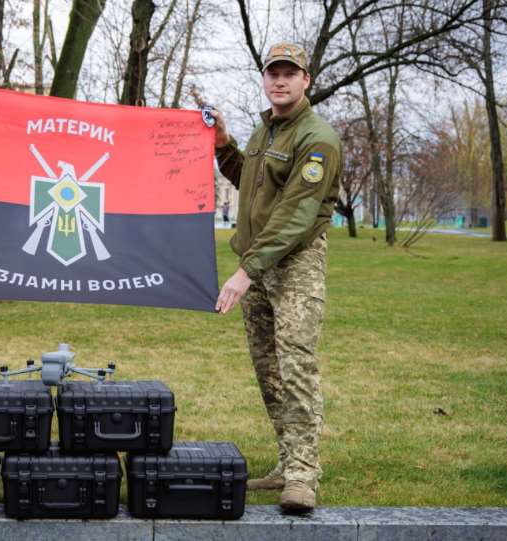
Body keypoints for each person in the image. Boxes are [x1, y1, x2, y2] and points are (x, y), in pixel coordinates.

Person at [207, 42, 342, 513]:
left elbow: (296, 216)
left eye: (290, 73)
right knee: (268, 369)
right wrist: (224, 145)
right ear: (264, 79)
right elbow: (251, 185)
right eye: (272, 73)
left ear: (307, 80)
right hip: (259, 265)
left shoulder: (316, 137)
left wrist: (245, 270)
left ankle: (304, 475)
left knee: (295, 364)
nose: (280, 80)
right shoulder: (265, 130)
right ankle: (288, 460)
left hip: (295, 264)